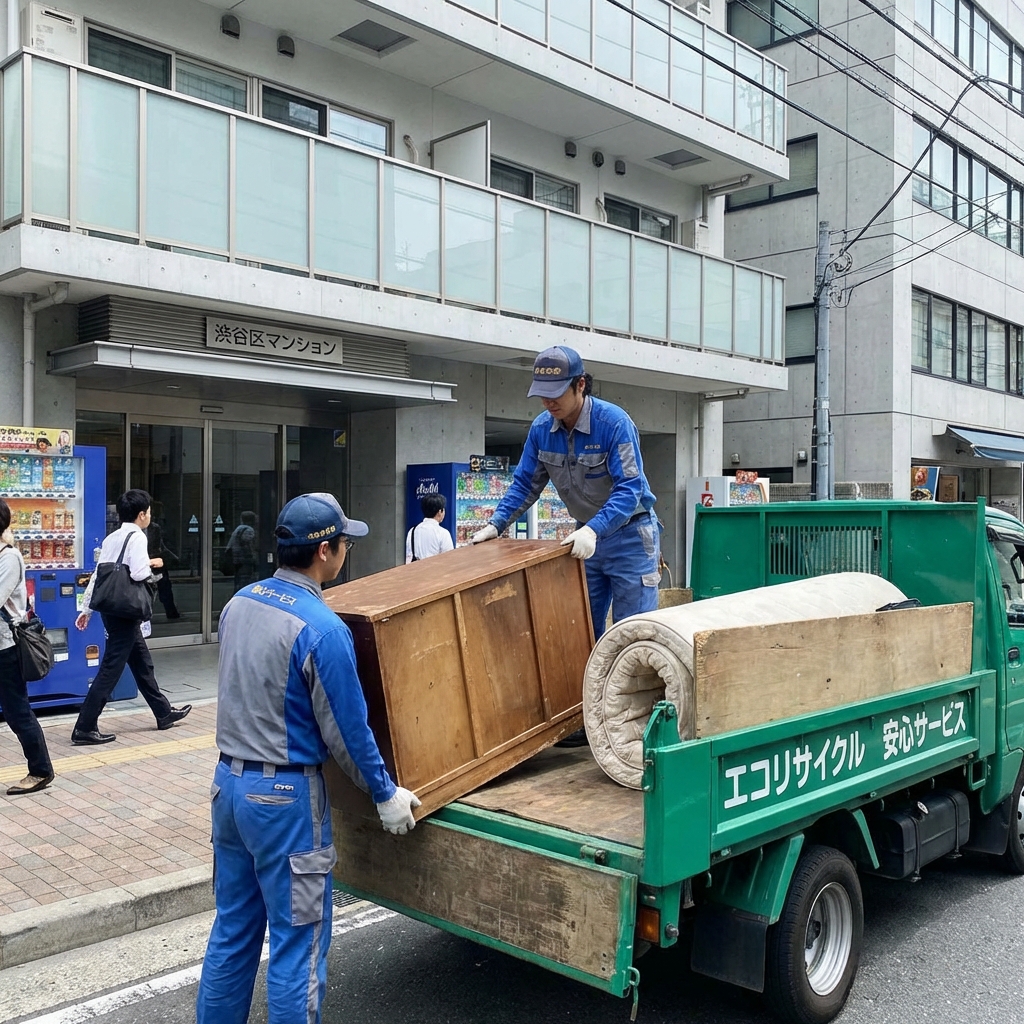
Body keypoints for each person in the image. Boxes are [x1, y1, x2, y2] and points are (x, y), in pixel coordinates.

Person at [196, 492, 420, 1024]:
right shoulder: (323, 629)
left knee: (232, 931)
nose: (347, 550)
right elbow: (348, 732)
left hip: (227, 786)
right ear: (325, 552)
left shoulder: (239, 603)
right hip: (285, 802)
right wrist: (385, 793)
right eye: (345, 541)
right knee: (298, 943)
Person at [472, 346, 660, 636]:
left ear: (580, 384)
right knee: (581, 630)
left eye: (557, 392)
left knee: (632, 633)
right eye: (543, 394)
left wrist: (593, 530)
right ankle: (587, 683)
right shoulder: (541, 430)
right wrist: (496, 524)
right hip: (583, 537)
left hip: (630, 537)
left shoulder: (614, 424)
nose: (549, 401)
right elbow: (525, 484)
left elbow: (629, 487)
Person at [72, 489, 191, 745]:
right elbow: (138, 574)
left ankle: (163, 712)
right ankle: (84, 726)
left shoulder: (111, 537)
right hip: (126, 611)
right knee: (111, 669)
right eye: (148, 511)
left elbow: (98, 575)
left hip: (111, 610)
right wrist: (154, 563)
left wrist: (87, 609)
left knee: (141, 662)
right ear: (141, 514)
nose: (149, 515)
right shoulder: (137, 537)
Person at [0, 499, 54, 795]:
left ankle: (41, 770)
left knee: (16, 710)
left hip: (6, 647)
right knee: (13, 709)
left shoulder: (9, 558)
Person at [147, 503, 180, 620]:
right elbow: (161, 546)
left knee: (163, 588)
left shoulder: (154, 528)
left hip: (155, 561)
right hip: (153, 561)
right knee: (162, 588)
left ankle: (171, 612)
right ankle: (171, 613)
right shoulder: (153, 528)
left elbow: (161, 545)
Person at [405, 494, 454, 563]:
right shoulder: (443, 533)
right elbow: (449, 560)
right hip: (435, 572)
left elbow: (409, 557)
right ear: (440, 512)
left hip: (416, 572)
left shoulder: (412, 531)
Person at [224, 511, 258, 594]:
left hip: (236, 558)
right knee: (246, 579)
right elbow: (249, 544)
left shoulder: (239, 528)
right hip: (244, 559)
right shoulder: (248, 530)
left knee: (238, 579)